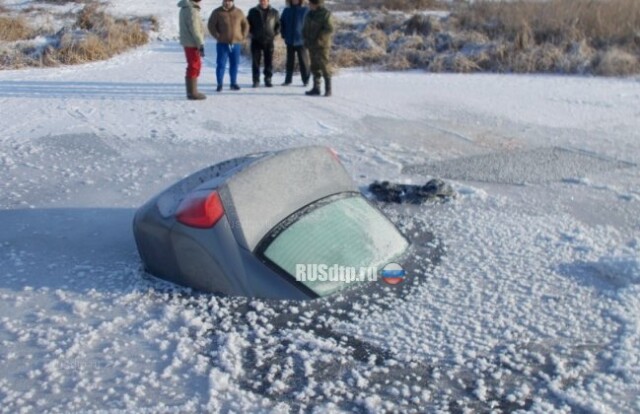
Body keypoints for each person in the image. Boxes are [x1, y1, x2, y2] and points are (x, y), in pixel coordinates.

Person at [208, 0, 249, 91]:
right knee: (221, 64)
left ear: (232, 2)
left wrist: (243, 35)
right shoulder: (217, 12)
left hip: (236, 43)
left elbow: (245, 24)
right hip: (222, 44)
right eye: (225, 1)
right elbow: (211, 25)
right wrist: (217, 36)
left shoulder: (239, 12)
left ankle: (233, 83)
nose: (227, 3)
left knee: (234, 64)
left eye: (229, 1)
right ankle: (219, 84)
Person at [302, 0, 333, 97]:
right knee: (314, 66)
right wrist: (305, 39)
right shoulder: (309, 14)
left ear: (317, 4)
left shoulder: (325, 14)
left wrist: (319, 39)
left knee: (324, 65)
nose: (309, 5)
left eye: (311, 3)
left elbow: (329, 29)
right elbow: (305, 28)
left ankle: (328, 88)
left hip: (322, 45)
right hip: (311, 44)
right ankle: (316, 88)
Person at [247, 0, 280, 87]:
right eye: (261, 1)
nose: (263, 2)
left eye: (265, 1)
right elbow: (247, 24)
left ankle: (268, 79)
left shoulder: (274, 12)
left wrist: (275, 33)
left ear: (268, 1)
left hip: (269, 40)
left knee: (268, 61)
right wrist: (251, 33)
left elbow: (278, 25)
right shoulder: (252, 11)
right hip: (256, 40)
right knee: (255, 62)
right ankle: (256, 80)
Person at [178, 0, 206, 100]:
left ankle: (193, 91)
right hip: (192, 43)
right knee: (194, 65)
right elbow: (195, 29)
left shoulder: (185, 8)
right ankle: (192, 92)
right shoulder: (192, 10)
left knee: (195, 64)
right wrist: (200, 44)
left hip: (188, 42)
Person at [280, 0, 309, 86]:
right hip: (289, 40)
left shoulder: (305, 10)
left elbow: (310, 24)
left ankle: (305, 80)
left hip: (301, 41)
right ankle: (288, 80)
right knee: (289, 62)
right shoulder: (286, 11)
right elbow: (282, 23)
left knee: (304, 62)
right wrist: (283, 34)